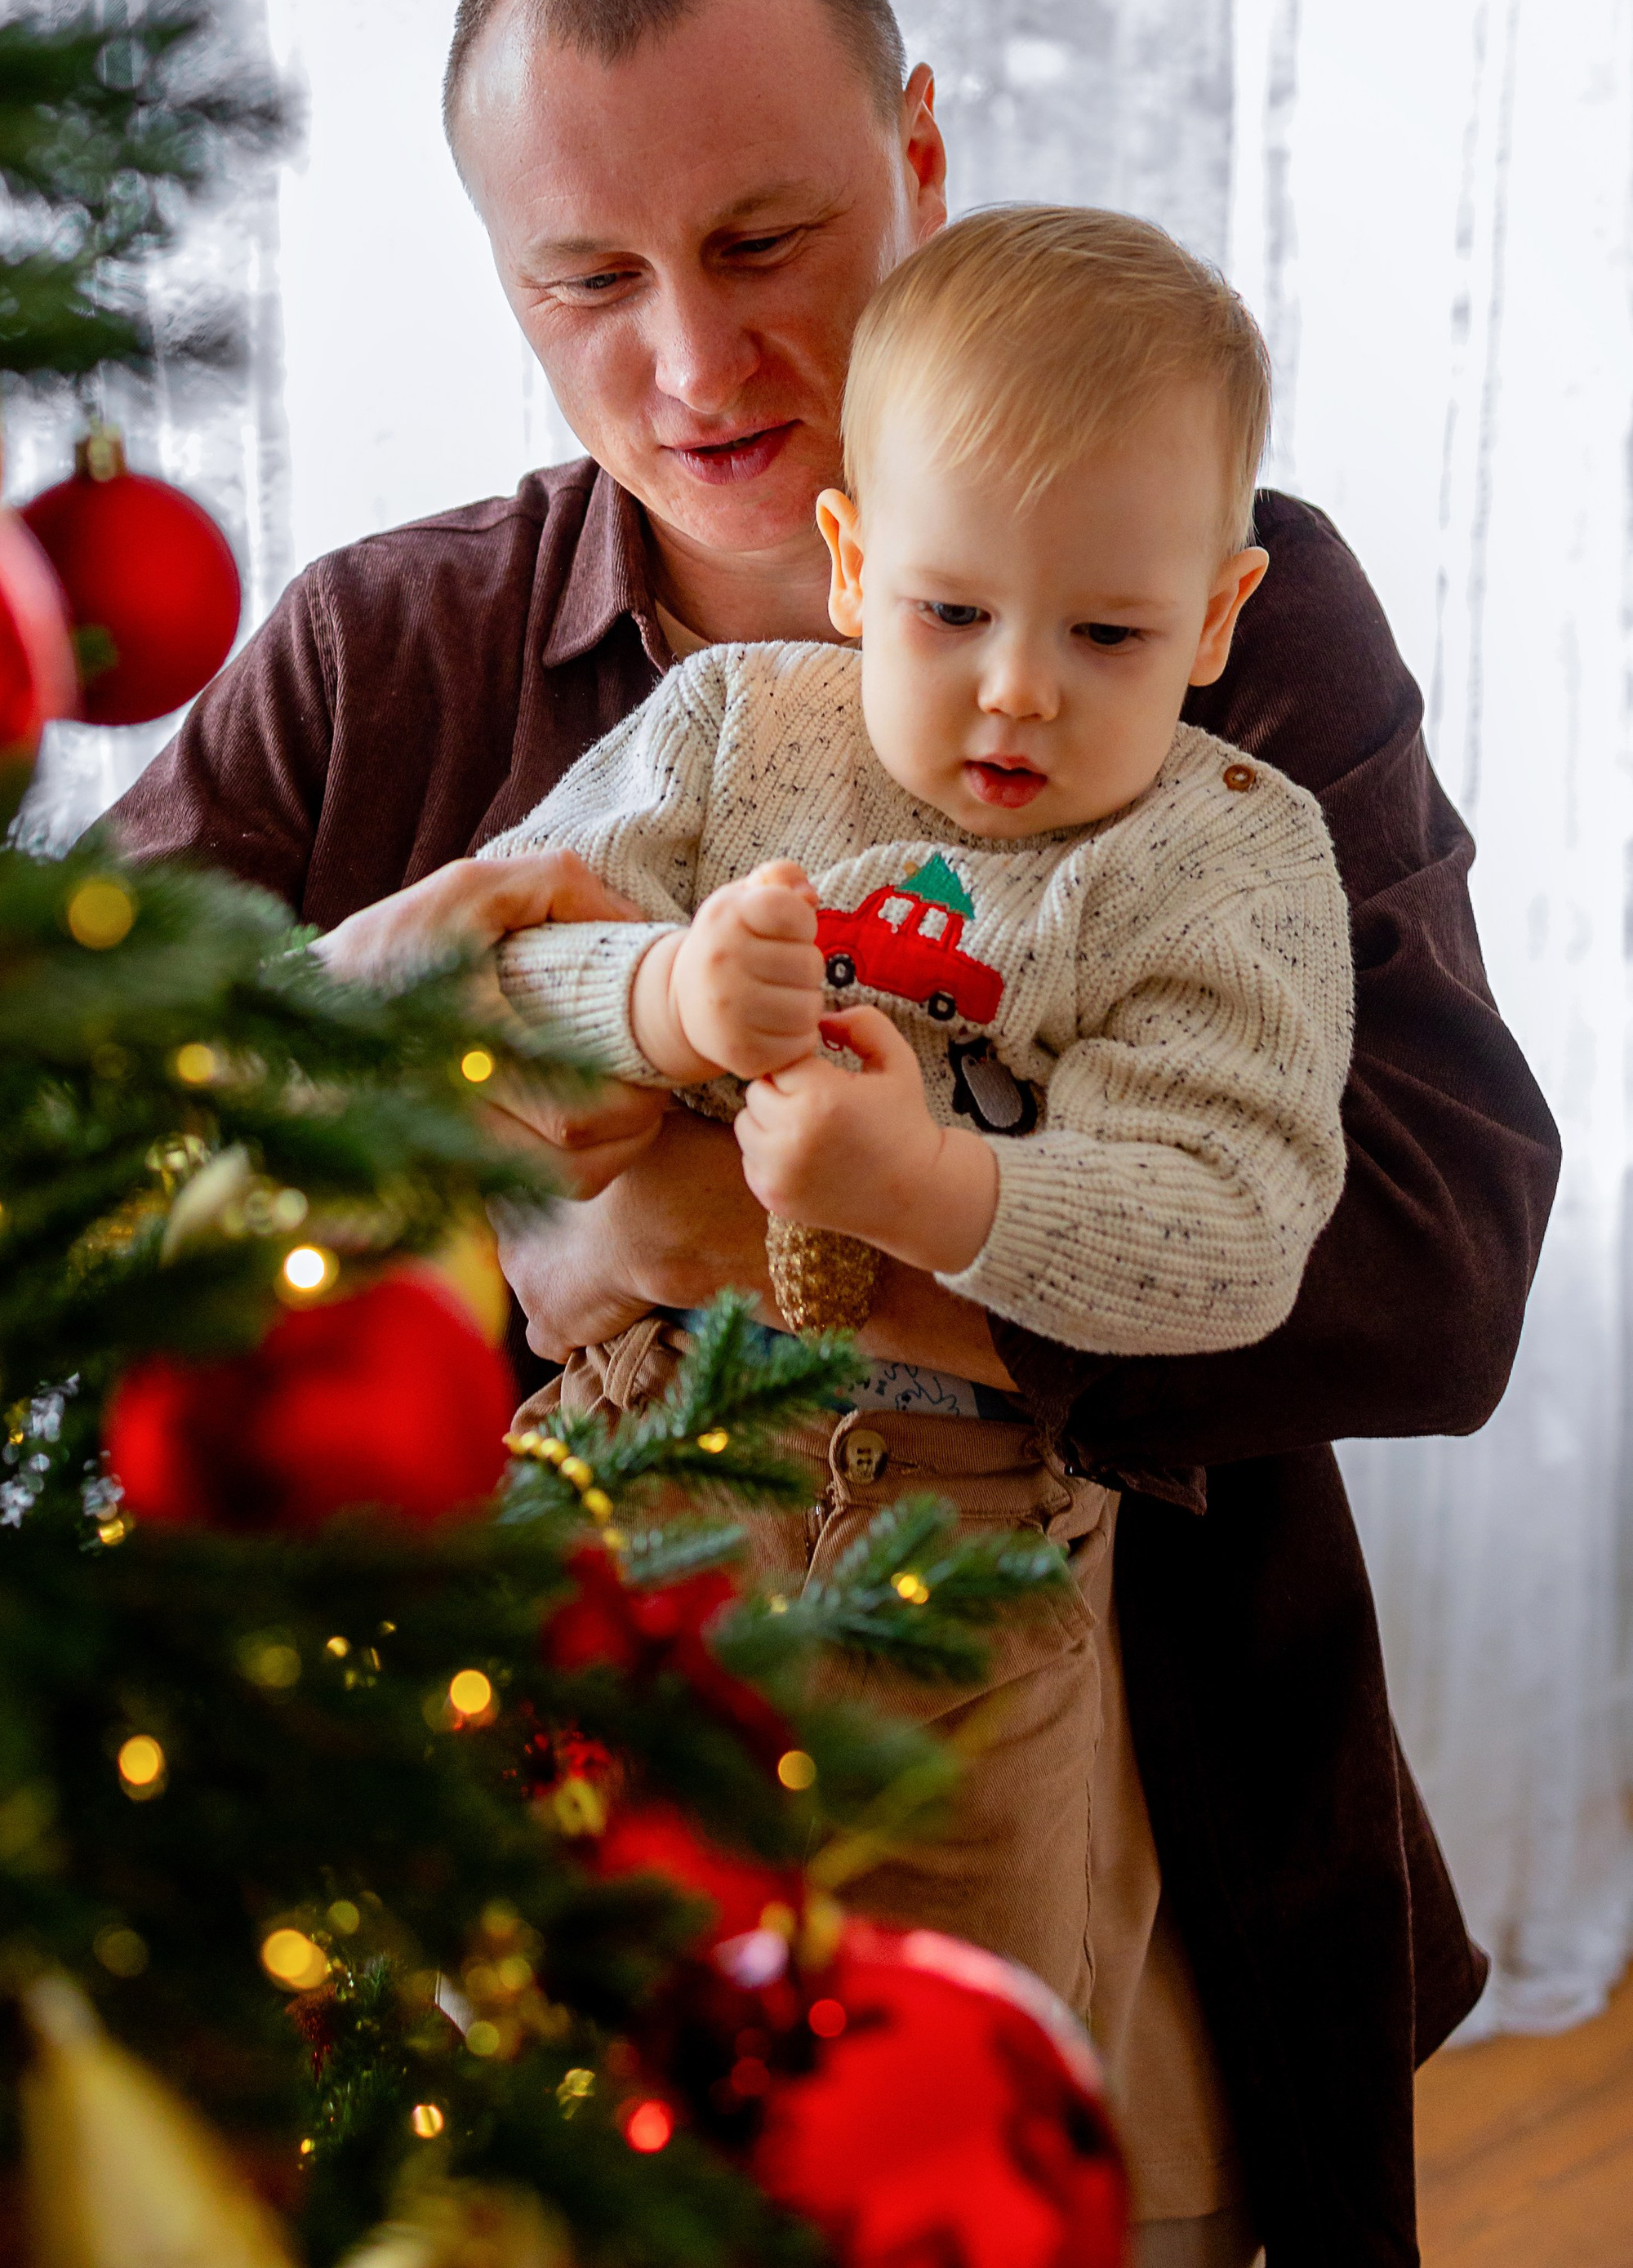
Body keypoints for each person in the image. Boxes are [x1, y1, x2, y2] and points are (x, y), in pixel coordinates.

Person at [108, 0, 1560, 2268]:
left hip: (1136, 1819)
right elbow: (55, 1184)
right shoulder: (380, 660)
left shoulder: (1225, 619)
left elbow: (1444, 1264)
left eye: (768, 241)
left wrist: (874, 1247)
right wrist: (525, 1238)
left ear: (919, 156)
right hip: (519, 1833)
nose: (693, 363)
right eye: (588, 281)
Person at [475, 206, 1356, 2044]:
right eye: (951, 611)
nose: (1017, 684)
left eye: (1105, 629)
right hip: (632, 1484)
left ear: (1210, 617)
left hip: (976, 1579)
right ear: (852, 559)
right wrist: (658, 997)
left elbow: (1229, 1227)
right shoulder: (726, 731)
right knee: (551, 2019)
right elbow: (466, 980)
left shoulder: (1223, 851)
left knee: (952, 2068)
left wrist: (937, 1188)